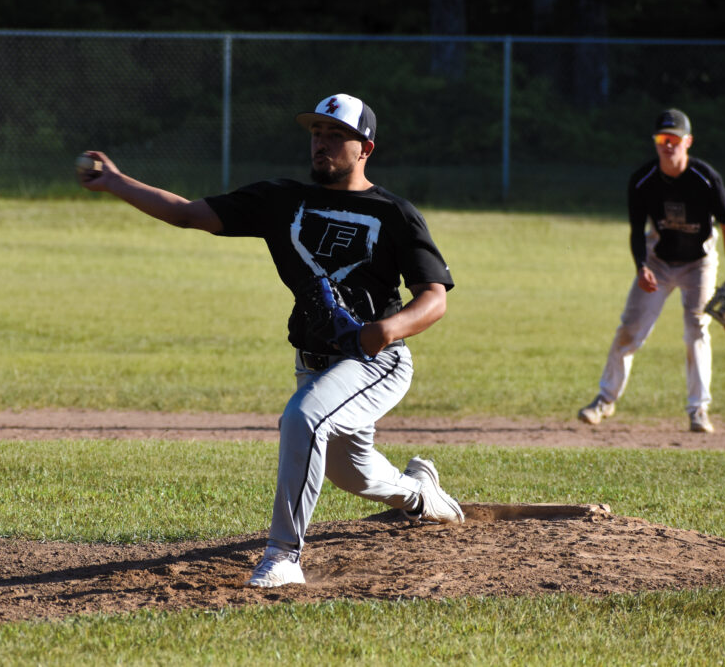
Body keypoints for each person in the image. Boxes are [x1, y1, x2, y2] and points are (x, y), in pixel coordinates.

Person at [78, 93, 464, 588]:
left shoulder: (394, 214)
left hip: (375, 362)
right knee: (354, 474)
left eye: (336, 135)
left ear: (365, 148)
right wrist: (115, 181)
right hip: (314, 363)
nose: (321, 143)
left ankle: (283, 556)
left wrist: (385, 330)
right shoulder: (281, 200)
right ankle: (421, 494)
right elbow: (187, 213)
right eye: (316, 133)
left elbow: (434, 298)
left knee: (302, 418)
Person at [578, 108, 725, 434]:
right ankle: (605, 400)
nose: (668, 145)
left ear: (688, 142)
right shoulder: (643, 180)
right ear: (655, 142)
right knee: (629, 329)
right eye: (663, 138)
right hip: (658, 261)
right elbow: (637, 231)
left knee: (696, 330)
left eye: (674, 139)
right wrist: (641, 267)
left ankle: (698, 410)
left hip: (699, 263)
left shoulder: (706, 178)